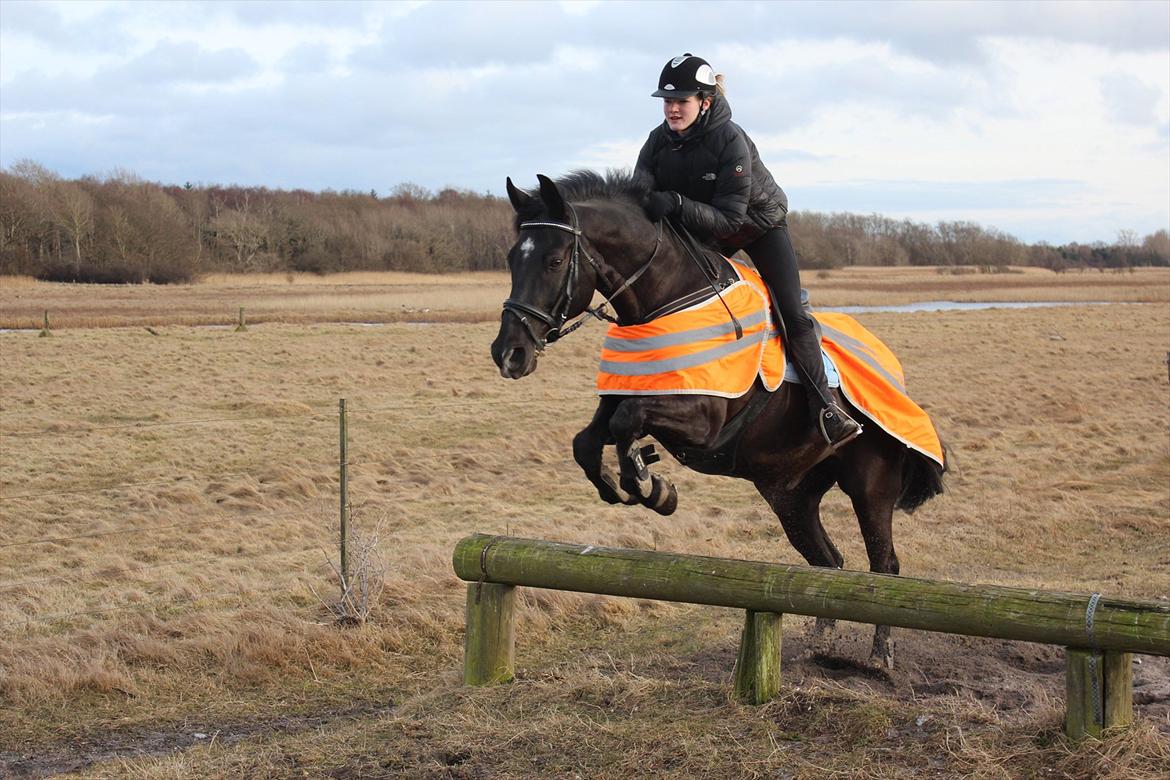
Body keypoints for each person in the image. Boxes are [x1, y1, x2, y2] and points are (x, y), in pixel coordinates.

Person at [634, 53, 862, 450]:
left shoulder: (729, 139)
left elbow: (729, 219)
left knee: (790, 311)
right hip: (705, 226)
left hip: (758, 225)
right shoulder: (657, 142)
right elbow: (639, 195)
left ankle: (825, 407)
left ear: (705, 101)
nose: (672, 109)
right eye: (667, 101)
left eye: (682, 101)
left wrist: (676, 203)